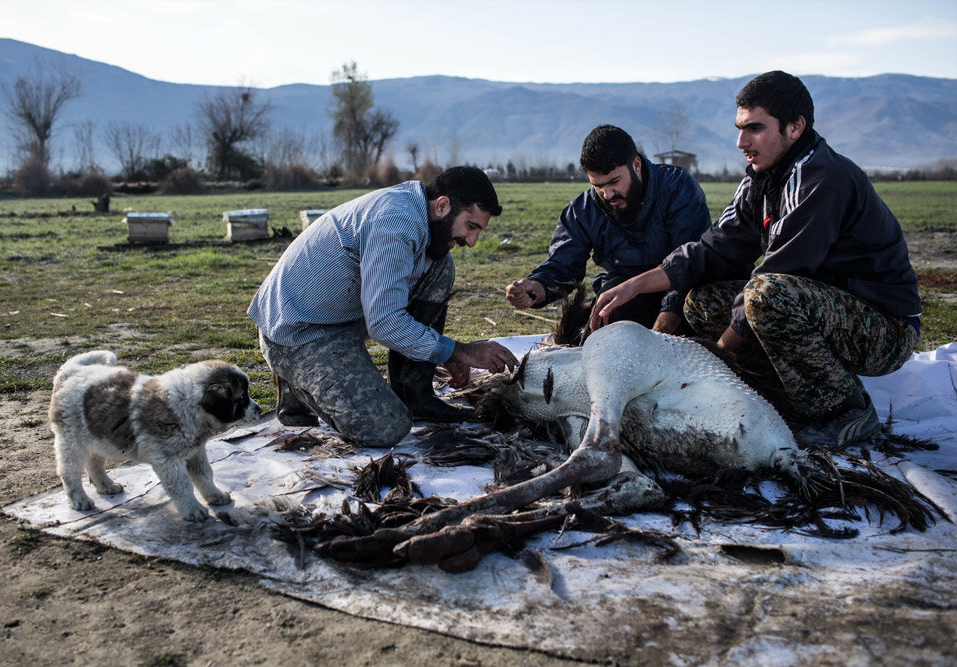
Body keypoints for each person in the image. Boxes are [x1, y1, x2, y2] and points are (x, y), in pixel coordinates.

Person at [589, 71, 921, 449]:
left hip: (884, 327)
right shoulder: (760, 179)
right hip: (826, 308)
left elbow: (777, 274)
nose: (740, 142)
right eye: (739, 129)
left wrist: (713, 363)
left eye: (755, 128)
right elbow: (713, 249)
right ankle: (795, 387)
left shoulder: (821, 177)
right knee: (700, 302)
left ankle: (846, 409)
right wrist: (634, 285)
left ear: (795, 127)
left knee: (765, 296)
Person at [248, 166, 519, 447]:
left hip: (339, 316)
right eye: (471, 226)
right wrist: (460, 351)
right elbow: (385, 323)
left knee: (440, 267)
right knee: (386, 427)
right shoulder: (394, 223)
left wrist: (445, 353)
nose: (472, 242)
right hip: (298, 330)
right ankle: (296, 381)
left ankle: (414, 395)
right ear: (442, 206)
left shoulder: (416, 212)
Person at [505, 124, 711, 332]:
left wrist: (661, 331)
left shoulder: (676, 187)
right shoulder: (583, 210)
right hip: (627, 292)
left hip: (682, 291)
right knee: (608, 310)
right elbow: (563, 265)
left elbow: (689, 264)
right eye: (598, 186)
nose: (608, 194)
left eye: (614, 182)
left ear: (636, 165)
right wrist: (534, 288)